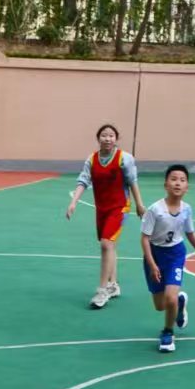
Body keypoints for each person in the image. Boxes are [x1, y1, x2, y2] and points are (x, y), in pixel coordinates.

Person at [65, 123, 145, 308]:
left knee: (106, 244)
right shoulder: (92, 160)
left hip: (119, 207)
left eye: (111, 135)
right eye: (104, 135)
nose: (108, 138)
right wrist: (73, 202)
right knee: (110, 246)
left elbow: (132, 181)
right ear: (98, 138)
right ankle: (113, 285)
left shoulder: (124, 158)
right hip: (101, 208)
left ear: (116, 139)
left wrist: (139, 204)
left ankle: (101, 291)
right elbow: (83, 180)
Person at [140, 164, 195, 353]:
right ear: (165, 184)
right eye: (173, 179)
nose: (177, 183)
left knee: (169, 297)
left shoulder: (187, 209)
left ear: (187, 186)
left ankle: (168, 332)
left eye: (182, 180)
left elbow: (190, 233)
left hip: (175, 255)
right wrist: (152, 264)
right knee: (160, 305)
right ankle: (180, 303)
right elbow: (145, 239)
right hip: (155, 255)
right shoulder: (155, 210)